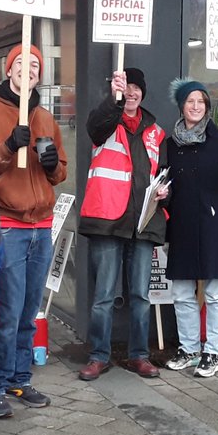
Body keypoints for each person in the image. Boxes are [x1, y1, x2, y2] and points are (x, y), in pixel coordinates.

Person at [0, 44, 67, 418]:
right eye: (21, 64)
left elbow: (60, 173)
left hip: (41, 225)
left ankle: (19, 378)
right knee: (7, 312)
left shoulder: (45, 116)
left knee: (29, 310)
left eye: (36, 65)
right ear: (8, 70)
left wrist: (53, 165)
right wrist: (7, 147)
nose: (28, 70)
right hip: (7, 224)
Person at [77, 67, 169, 381]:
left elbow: (165, 173)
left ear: (143, 92)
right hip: (107, 218)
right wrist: (113, 100)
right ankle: (98, 356)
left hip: (143, 221)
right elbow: (95, 127)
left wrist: (165, 193)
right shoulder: (105, 121)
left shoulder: (156, 132)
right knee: (103, 295)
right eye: (126, 87)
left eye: (135, 88)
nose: (131, 93)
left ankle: (139, 356)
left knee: (141, 296)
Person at [162, 78, 218, 378]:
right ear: (181, 106)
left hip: (215, 224)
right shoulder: (170, 144)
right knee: (182, 292)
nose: (196, 106)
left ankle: (213, 351)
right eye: (190, 101)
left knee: (215, 292)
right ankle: (189, 348)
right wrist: (164, 193)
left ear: (207, 107)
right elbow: (166, 182)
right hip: (183, 223)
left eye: (201, 101)